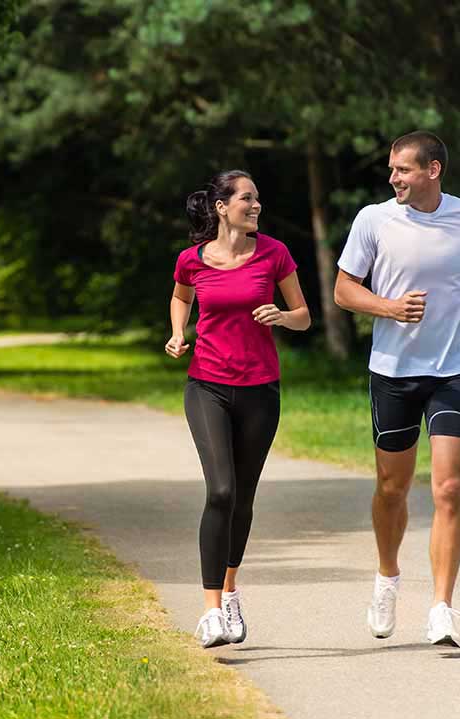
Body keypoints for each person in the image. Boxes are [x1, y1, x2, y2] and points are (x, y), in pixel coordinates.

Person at [333, 131, 460, 647]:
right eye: (392, 170)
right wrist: (388, 307)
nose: (393, 178)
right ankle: (387, 578)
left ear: (433, 170)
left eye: (403, 170)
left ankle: (442, 607)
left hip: (453, 368)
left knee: (450, 488)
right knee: (393, 488)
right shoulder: (373, 220)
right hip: (393, 370)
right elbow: (344, 290)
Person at [167, 170, 311, 648]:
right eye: (248, 198)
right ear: (222, 207)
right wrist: (177, 332)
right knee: (221, 491)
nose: (256, 206)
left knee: (243, 497)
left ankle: (230, 591)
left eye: (258, 198)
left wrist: (282, 316)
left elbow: (304, 315)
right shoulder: (192, 260)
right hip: (206, 385)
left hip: (260, 390)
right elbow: (180, 296)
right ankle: (210, 612)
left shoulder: (274, 253)